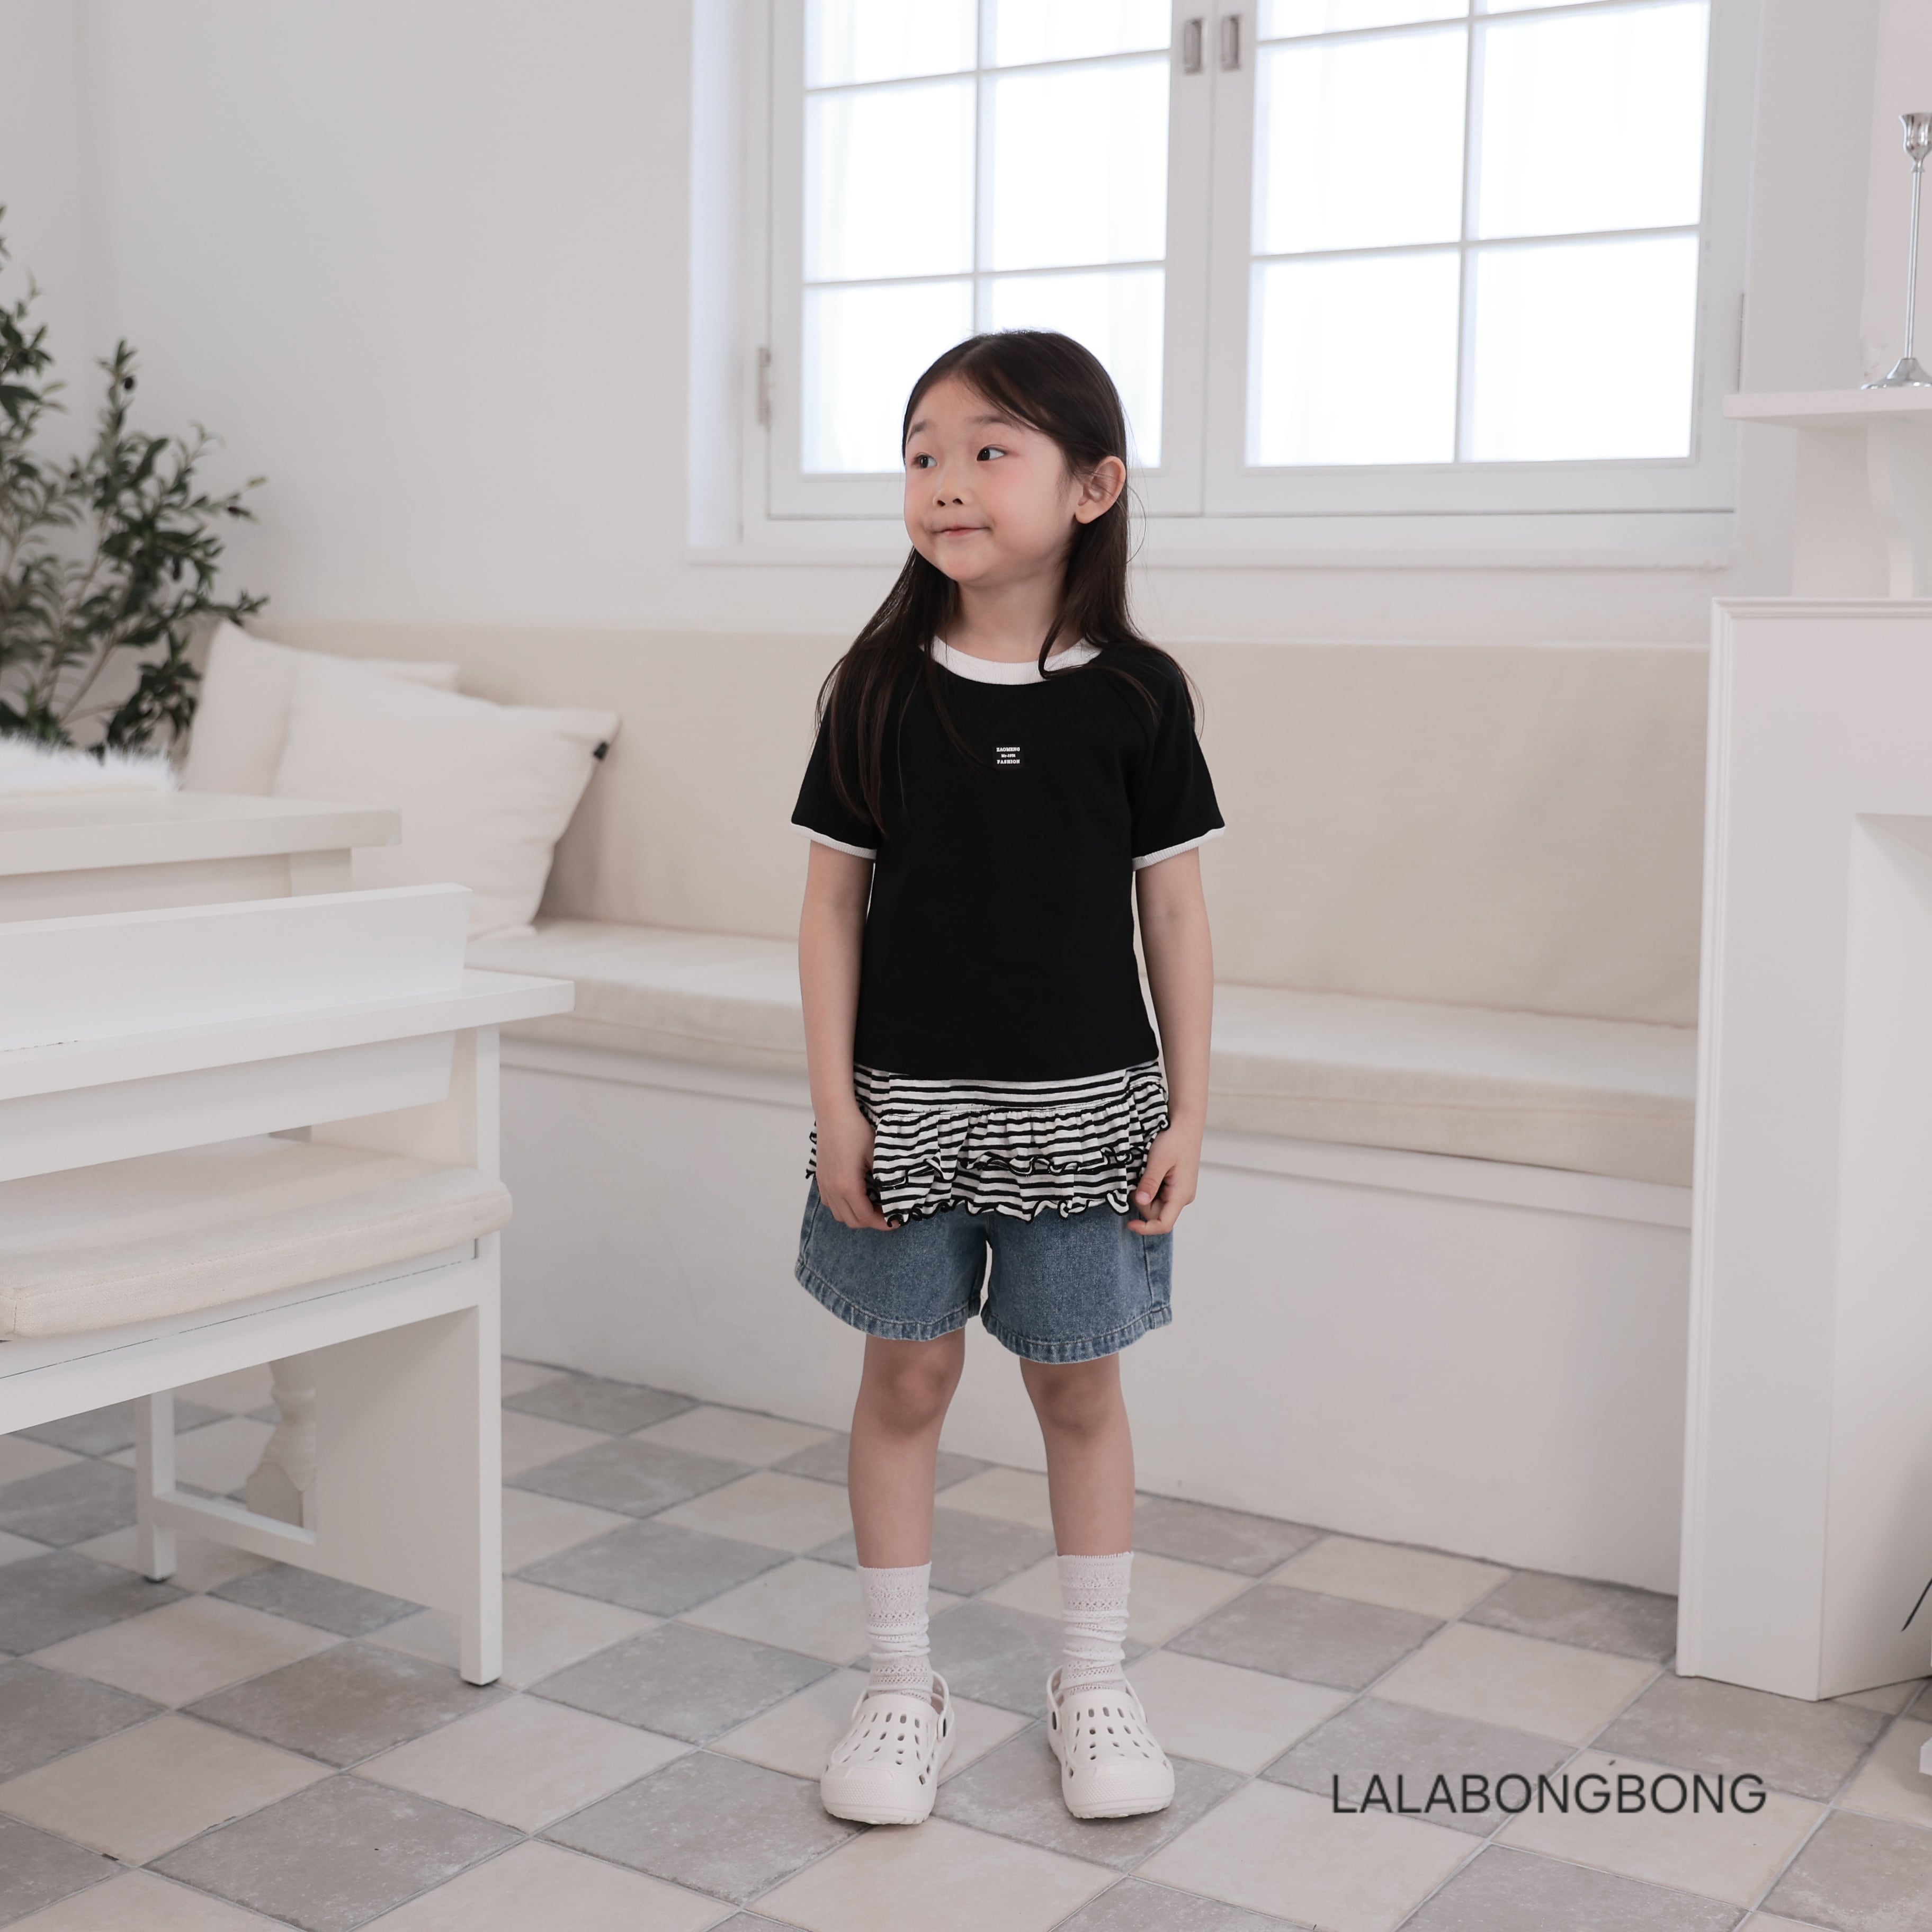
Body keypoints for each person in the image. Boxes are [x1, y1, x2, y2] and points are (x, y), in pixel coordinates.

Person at [790, 329, 1222, 1828]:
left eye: (988, 450)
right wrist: (839, 1110)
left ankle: (1092, 1676)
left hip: (1090, 1117)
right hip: (904, 1112)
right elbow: (830, 908)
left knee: (1078, 1386)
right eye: (923, 453)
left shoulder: (1141, 695)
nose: (946, 481)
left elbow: (1175, 914)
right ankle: (899, 1684)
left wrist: (1191, 1109)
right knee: (906, 1379)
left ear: (1094, 487)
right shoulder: (875, 687)